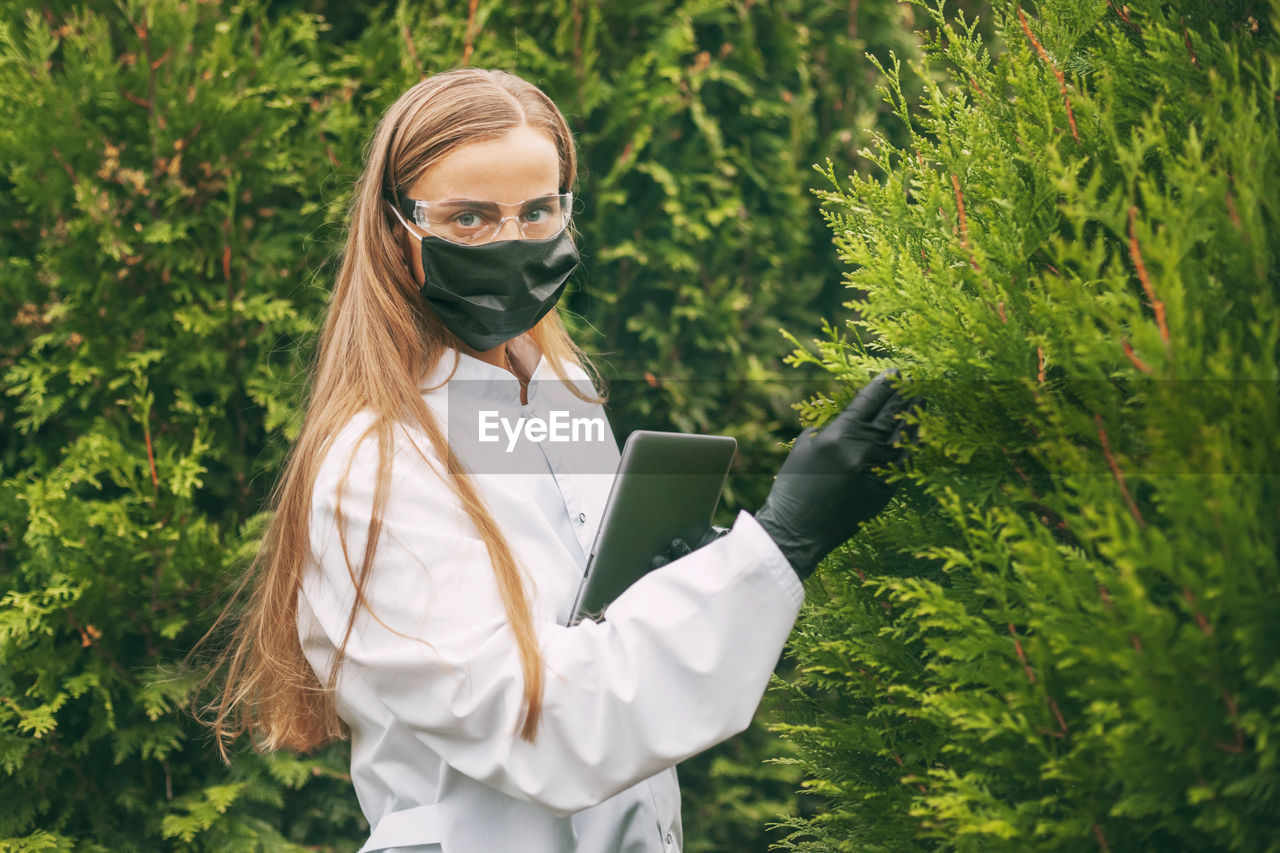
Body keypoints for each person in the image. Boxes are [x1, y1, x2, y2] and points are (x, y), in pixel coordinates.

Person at [207, 68, 913, 853]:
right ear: (395, 231)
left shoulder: (563, 392)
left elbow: (596, 623)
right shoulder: (375, 464)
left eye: (538, 212)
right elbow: (542, 724)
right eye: (469, 218)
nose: (512, 245)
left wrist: (696, 575)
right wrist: (781, 541)